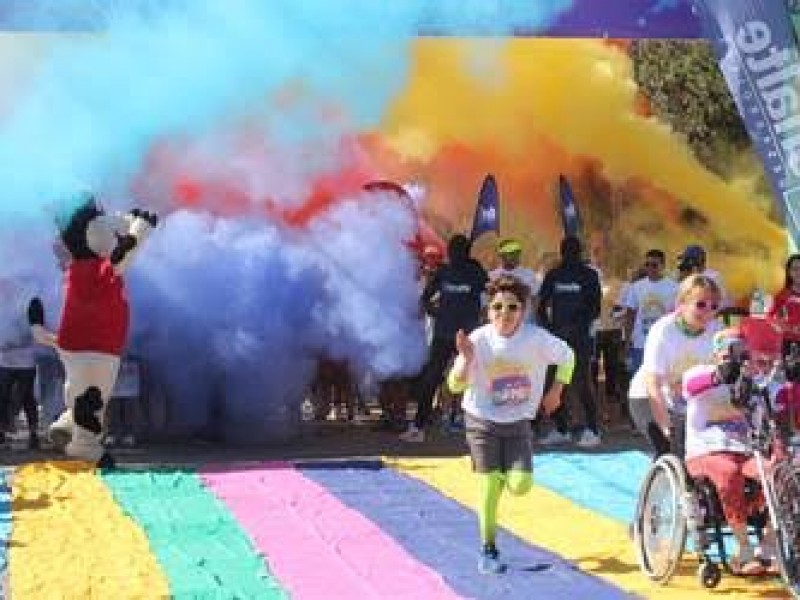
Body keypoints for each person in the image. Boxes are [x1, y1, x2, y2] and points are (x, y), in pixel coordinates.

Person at [447, 275, 574, 574]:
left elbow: (569, 357)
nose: (504, 314)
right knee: (489, 486)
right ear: (488, 310)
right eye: (497, 307)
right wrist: (465, 360)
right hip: (481, 421)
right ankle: (488, 547)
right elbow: (454, 386)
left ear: (524, 309)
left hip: (518, 423)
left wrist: (556, 391)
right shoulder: (478, 340)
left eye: (512, 307)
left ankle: (500, 475)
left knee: (520, 486)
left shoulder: (537, 339)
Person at [682, 327, 779, 576]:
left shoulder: (753, 380)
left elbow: (775, 401)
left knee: (777, 472)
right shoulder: (700, 372)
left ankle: (768, 547)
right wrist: (718, 377)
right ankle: (743, 550)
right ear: (717, 355)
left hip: (745, 450)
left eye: (740, 353)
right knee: (728, 471)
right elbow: (691, 388)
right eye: (728, 354)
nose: (735, 360)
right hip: (706, 451)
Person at [400, 234, 488, 443]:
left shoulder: (475, 271)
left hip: (466, 336)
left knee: (474, 378)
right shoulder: (445, 271)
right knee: (432, 379)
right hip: (445, 334)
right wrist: (436, 313)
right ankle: (419, 427)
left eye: (457, 250)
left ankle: (471, 424)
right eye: (454, 251)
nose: (454, 254)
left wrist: (480, 317)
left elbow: (487, 294)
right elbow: (425, 298)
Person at [642, 274, 722, 458]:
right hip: (650, 396)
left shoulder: (716, 330)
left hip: (690, 401)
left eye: (714, 306)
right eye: (701, 304)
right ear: (683, 303)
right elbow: (652, 383)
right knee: (671, 450)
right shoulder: (663, 330)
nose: (708, 311)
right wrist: (665, 425)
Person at [536, 235, 602, 447]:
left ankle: (593, 430)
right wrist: (550, 330)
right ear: (562, 252)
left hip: (580, 338)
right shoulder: (554, 275)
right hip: (557, 339)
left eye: (574, 250)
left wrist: (575, 327)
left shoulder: (589, 275)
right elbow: (541, 306)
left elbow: (595, 308)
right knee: (553, 383)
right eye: (567, 250)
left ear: (579, 252)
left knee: (582, 383)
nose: (570, 254)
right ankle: (561, 428)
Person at [623, 249, 678, 375]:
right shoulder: (636, 287)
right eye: (647, 264)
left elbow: (678, 317)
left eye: (654, 265)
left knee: (662, 380)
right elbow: (630, 315)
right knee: (638, 380)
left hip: (665, 344)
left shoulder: (674, 287)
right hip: (640, 344)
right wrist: (627, 341)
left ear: (663, 266)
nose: (650, 268)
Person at [489, 238, 541, 318]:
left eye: (516, 253)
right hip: (500, 322)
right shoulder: (492, 275)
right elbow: (487, 301)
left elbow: (536, 297)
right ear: (501, 255)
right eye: (509, 254)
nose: (513, 257)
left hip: (525, 322)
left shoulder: (529, 274)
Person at [767, 253, 800, 356]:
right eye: (795, 269)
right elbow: (771, 319)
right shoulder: (782, 295)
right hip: (790, 344)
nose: (799, 272)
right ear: (789, 272)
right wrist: (789, 328)